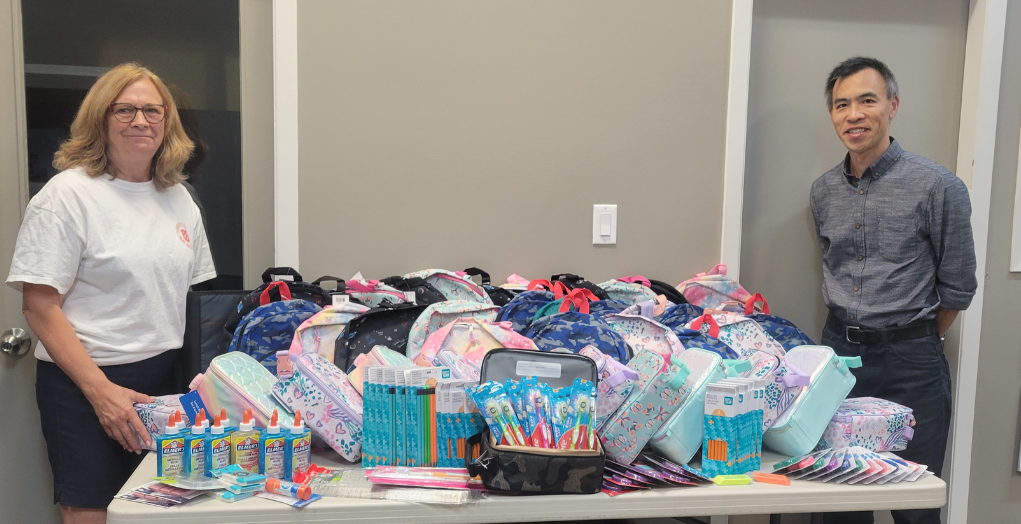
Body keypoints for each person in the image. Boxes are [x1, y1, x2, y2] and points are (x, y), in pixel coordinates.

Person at [6, 63, 216, 524]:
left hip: (165, 381)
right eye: (124, 110)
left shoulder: (179, 198)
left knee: (167, 507)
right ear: (101, 119)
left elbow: (189, 299)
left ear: (167, 121)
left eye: (151, 110)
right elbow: (39, 306)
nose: (140, 121)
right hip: (85, 382)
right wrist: (100, 392)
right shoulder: (67, 197)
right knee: (91, 512)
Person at [810, 57, 977, 524]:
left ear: (893, 105)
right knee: (839, 502)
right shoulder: (822, 191)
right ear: (832, 115)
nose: (854, 114)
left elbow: (959, 285)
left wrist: (918, 337)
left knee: (916, 505)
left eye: (867, 100)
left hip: (913, 363)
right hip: (841, 359)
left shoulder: (938, 186)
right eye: (842, 104)